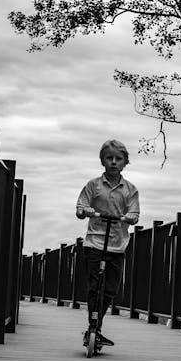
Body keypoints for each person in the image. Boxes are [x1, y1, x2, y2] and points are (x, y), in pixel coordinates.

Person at [76, 139, 140, 346]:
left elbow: (134, 212)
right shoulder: (93, 185)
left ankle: (97, 325)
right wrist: (83, 211)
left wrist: (130, 216)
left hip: (117, 244)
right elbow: (81, 206)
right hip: (95, 242)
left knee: (110, 289)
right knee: (95, 286)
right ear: (102, 160)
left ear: (125, 162)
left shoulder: (130, 189)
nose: (113, 162)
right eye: (109, 158)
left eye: (118, 159)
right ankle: (94, 327)